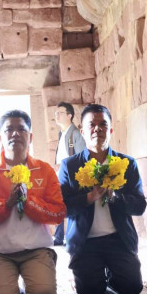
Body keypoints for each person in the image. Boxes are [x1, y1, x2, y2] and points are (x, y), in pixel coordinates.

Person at [0, 109, 66, 294]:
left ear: (30, 136)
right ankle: (0, 276)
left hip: (36, 249)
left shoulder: (44, 170)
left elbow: (57, 214)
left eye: (21, 129)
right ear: (0, 137)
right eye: (9, 130)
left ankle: (36, 277)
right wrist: (6, 203)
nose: (15, 134)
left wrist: (28, 201)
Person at [59, 104, 147, 294]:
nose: (97, 129)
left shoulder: (127, 164)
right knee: (90, 293)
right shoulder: (70, 165)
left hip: (118, 239)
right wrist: (88, 198)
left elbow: (140, 206)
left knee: (132, 290)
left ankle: (112, 276)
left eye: (103, 124)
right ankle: (90, 275)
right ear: (82, 131)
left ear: (111, 130)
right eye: (91, 124)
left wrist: (116, 197)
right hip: (86, 242)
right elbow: (63, 209)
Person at [53, 101, 86, 246]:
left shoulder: (76, 134)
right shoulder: (62, 134)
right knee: (58, 203)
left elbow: (82, 158)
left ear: (69, 115)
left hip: (72, 177)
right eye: (55, 113)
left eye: (60, 113)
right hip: (61, 175)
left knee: (71, 206)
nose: (56, 116)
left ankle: (70, 236)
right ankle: (59, 237)